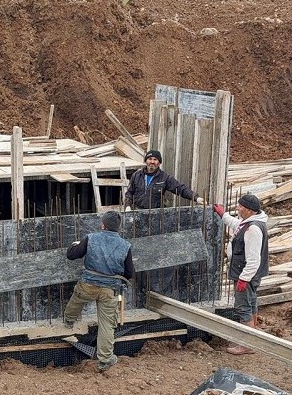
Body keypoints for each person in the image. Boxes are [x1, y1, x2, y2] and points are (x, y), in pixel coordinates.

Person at [63, 211, 135, 372]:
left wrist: (75, 245)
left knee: (77, 300)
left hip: (88, 284)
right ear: (118, 228)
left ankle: (68, 320)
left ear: (103, 225)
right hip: (110, 290)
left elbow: (72, 256)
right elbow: (129, 273)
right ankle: (105, 360)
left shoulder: (91, 238)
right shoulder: (125, 245)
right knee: (107, 325)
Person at [213, 193, 269, 355]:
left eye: (241, 206)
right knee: (251, 303)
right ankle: (253, 335)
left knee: (243, 306)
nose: (238, 208)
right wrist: (222, 214)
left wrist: (244, 278)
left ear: (250, 210)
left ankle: (247, 344)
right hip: (249, 274)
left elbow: (253, 259)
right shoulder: (250, 223)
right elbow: (236, 224)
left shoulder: (253, 229)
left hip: (246, 273)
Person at [123, 150, 206, 210]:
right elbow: (129, 193)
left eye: (155, 159)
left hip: (155, 213)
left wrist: (196, 198)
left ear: (159, 162)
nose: (152, 162)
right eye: (150, 159)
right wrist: (127, 206)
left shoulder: (164, 177)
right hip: (138, 211)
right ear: (145, 161)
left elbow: (180, 188)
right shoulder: (136, 175)